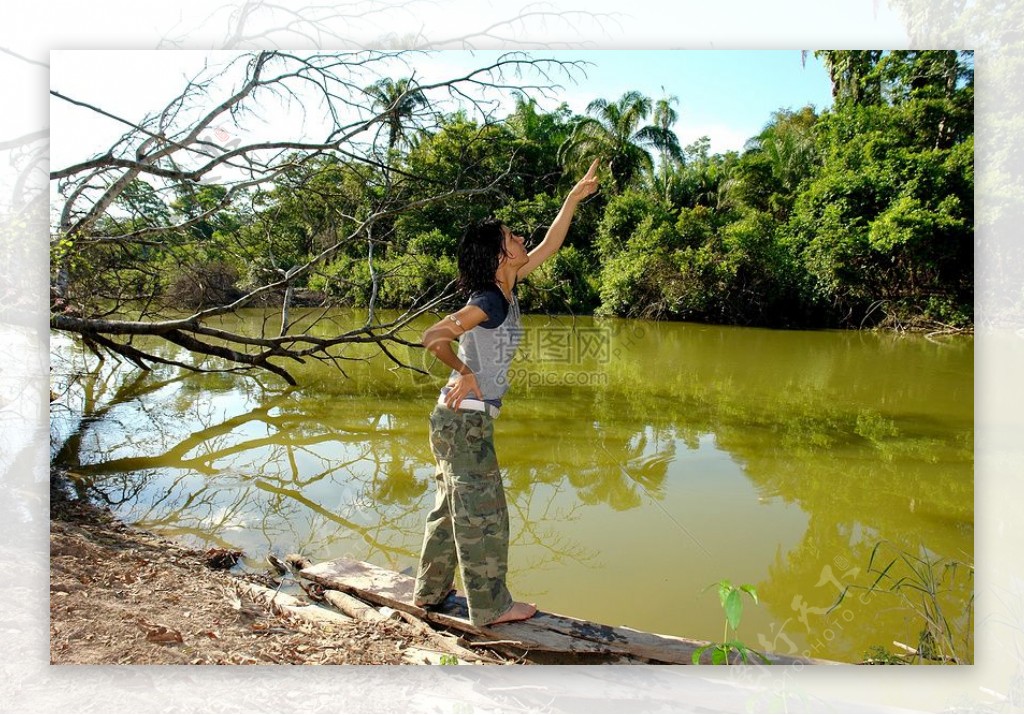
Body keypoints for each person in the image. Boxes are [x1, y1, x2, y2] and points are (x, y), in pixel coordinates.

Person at [413, 158, 601, 626]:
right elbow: (433, 336)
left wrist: (573, 199)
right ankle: (491, 608)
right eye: (512, 238)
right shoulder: (488, 300)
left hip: (454, 422)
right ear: (500, 256)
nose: (522, 241)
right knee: (484, 515)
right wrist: (464, 371)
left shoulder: (508, 285)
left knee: (453, 509)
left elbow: (551, 245)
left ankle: (430, 592)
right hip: (465, 422)